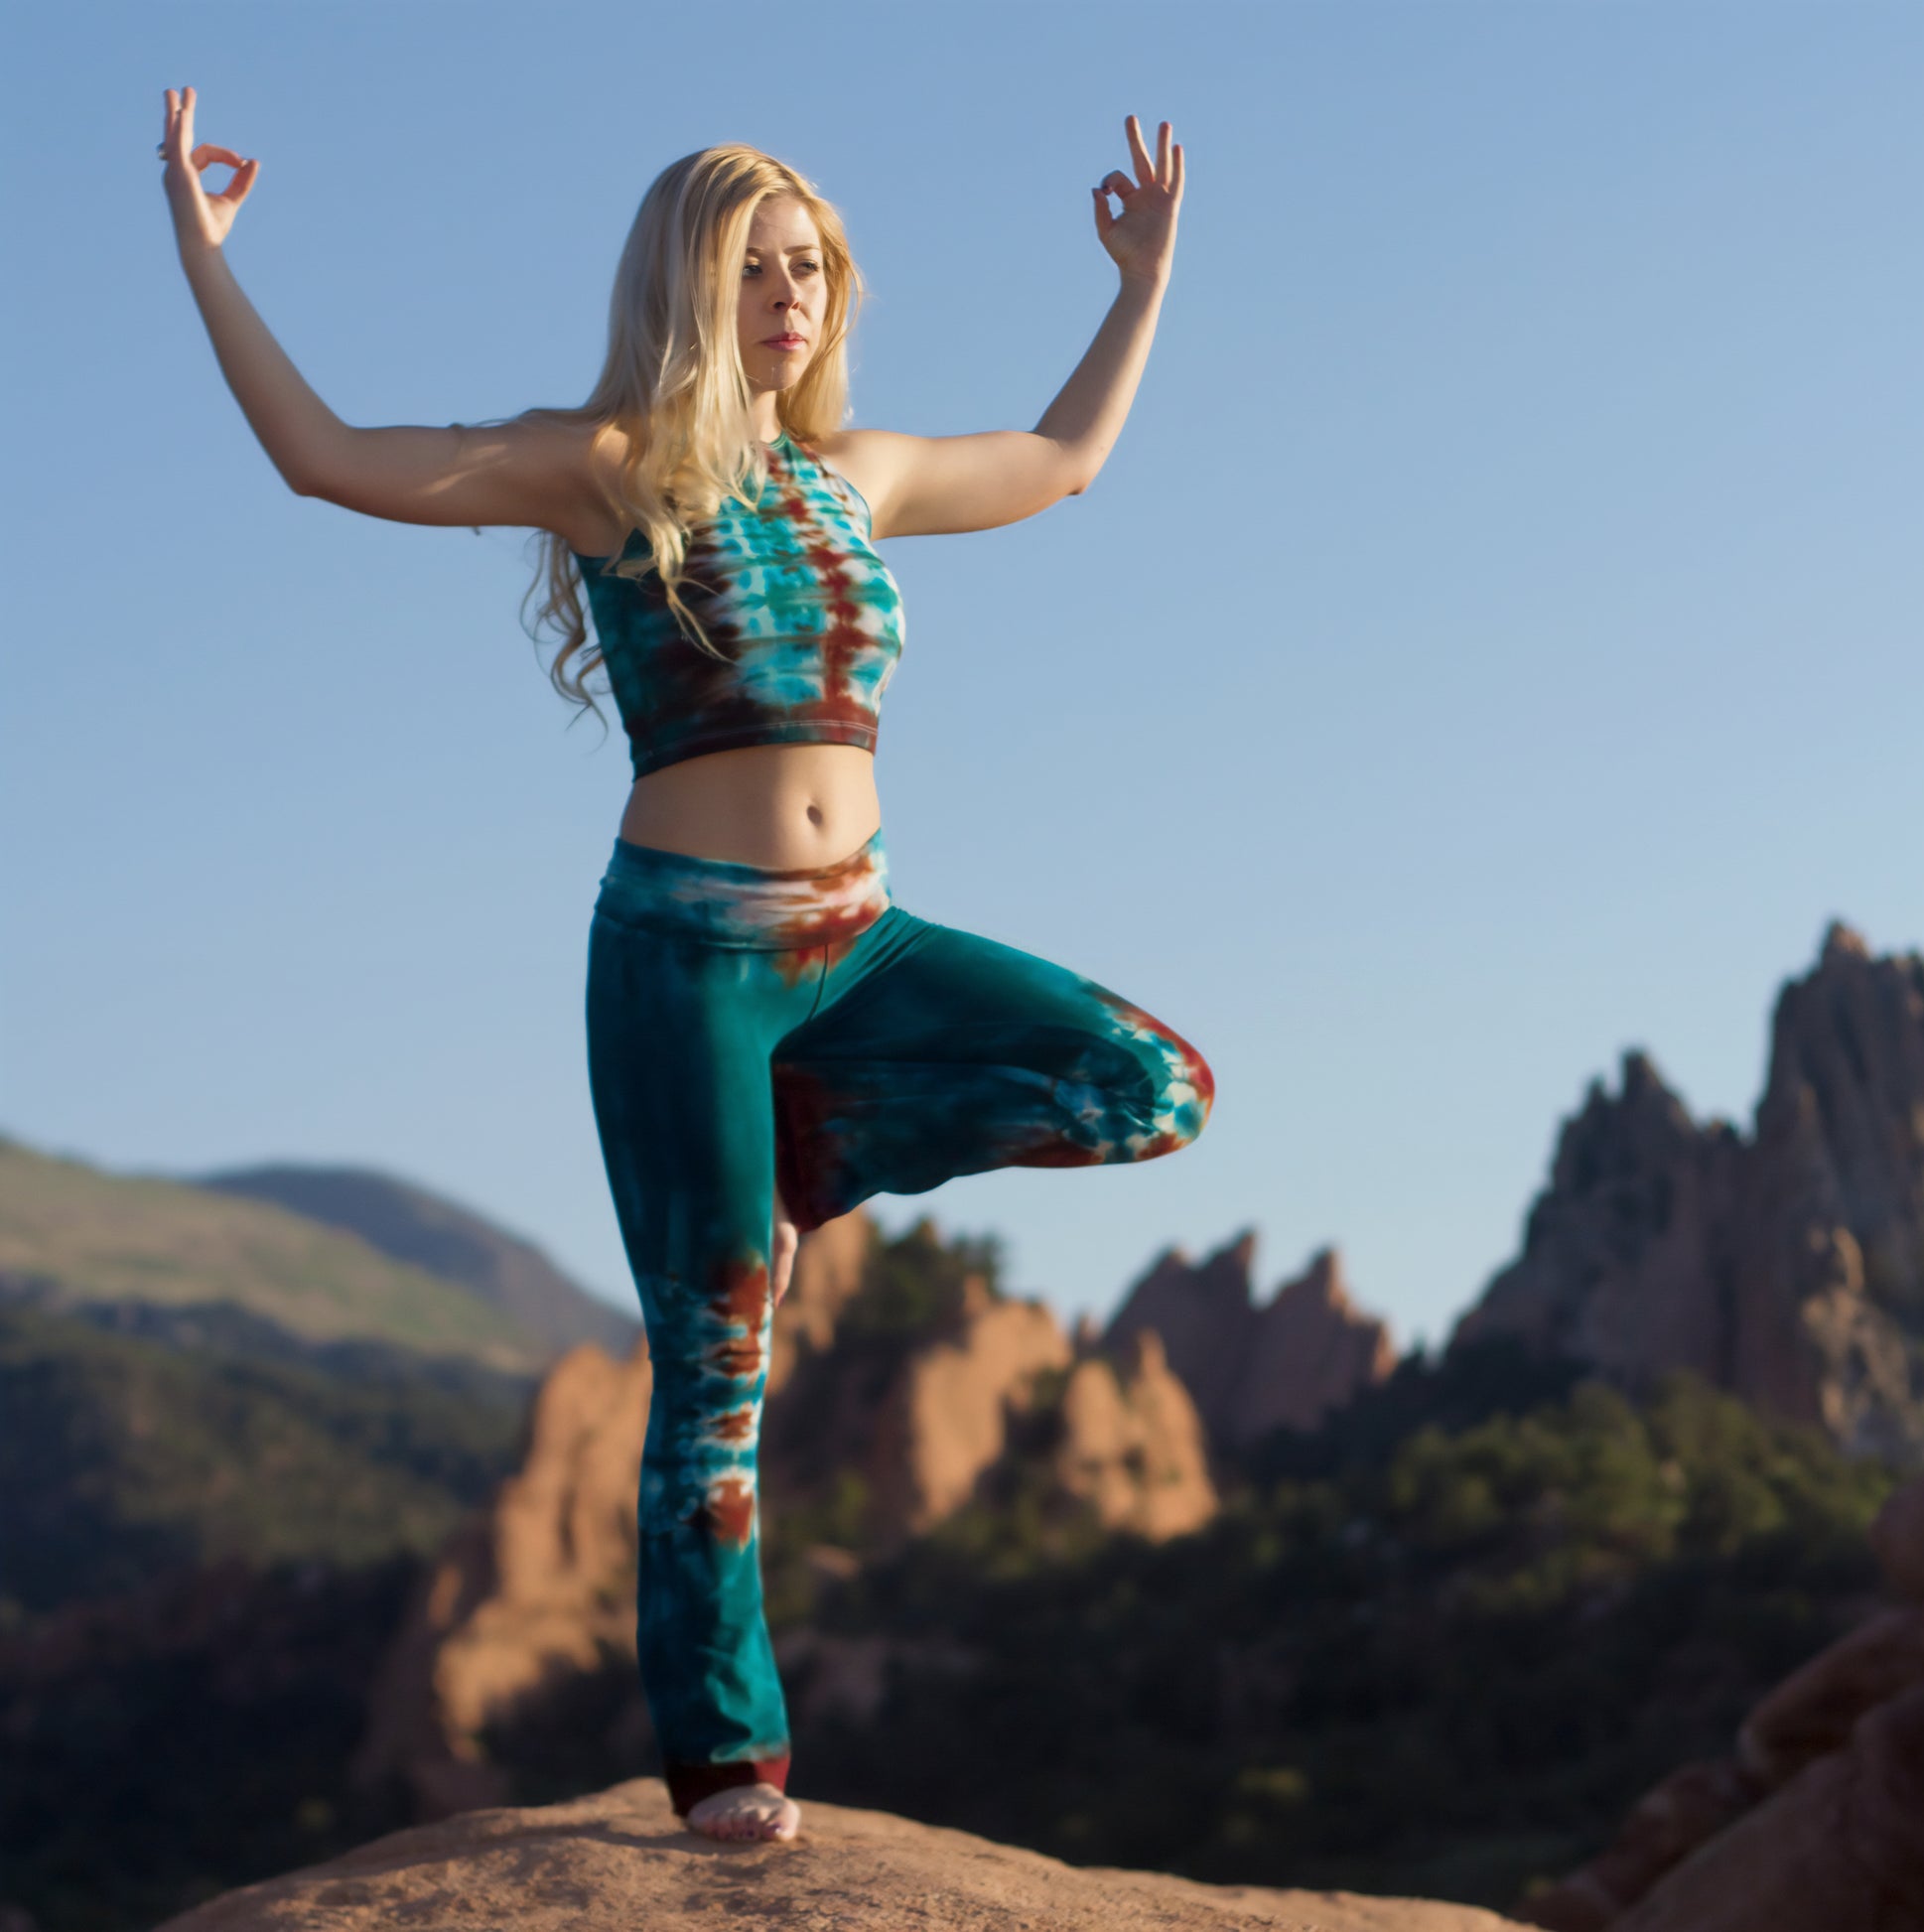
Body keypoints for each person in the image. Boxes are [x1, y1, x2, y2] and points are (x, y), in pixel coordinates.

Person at [160, 88, 1214, 1846]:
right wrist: (204, 255)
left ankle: (807, 1152)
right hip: (685, 961)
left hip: (858, 934)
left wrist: (1141, 281)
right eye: (756, 266)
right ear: (686, 282)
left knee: (1146, 1083)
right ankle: (728, 1753)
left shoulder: (853, 474)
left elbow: (1060, 462)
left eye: (811, 267)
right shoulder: (600, 463)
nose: (792, 295)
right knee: (713, 1357)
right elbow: (325, 456)